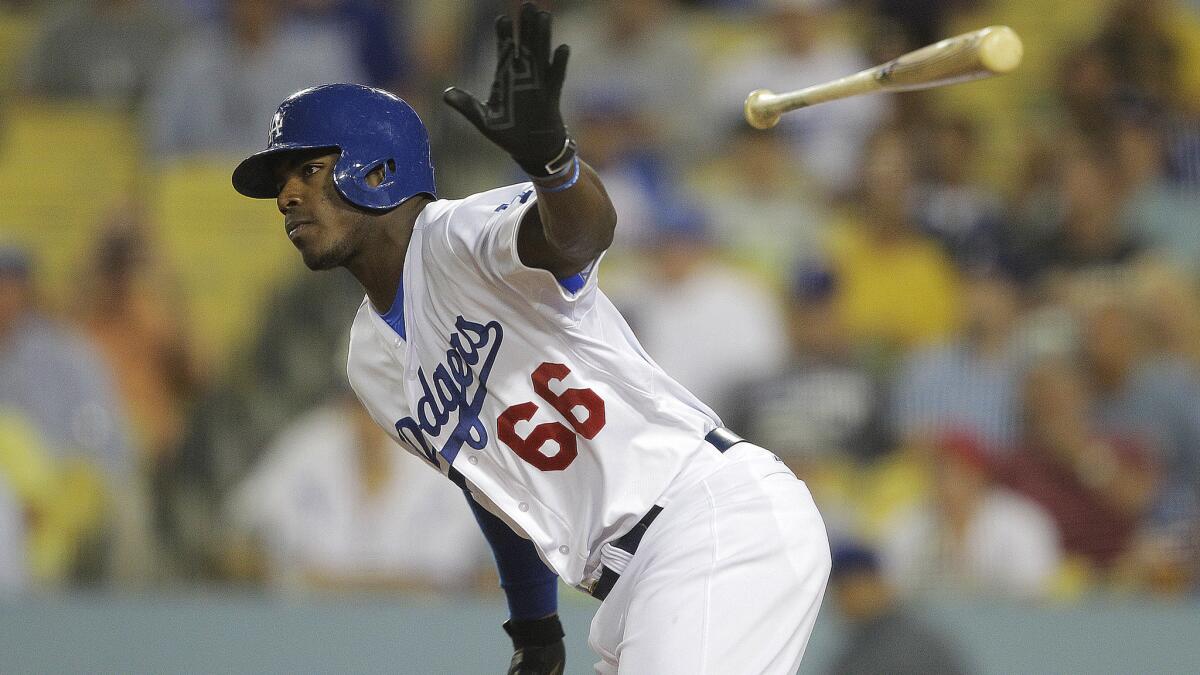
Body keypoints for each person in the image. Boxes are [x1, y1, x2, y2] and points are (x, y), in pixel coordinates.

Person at [230, 5, 831, 674]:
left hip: (708, 522)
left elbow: (579, 234)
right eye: (281, 182)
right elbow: (491, 483)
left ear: (378, 169)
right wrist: (535, 625)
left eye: (306, 170)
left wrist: (555, 164)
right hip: (636, 582)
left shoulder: (462, 235)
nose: (285, 195)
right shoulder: (370, 361)